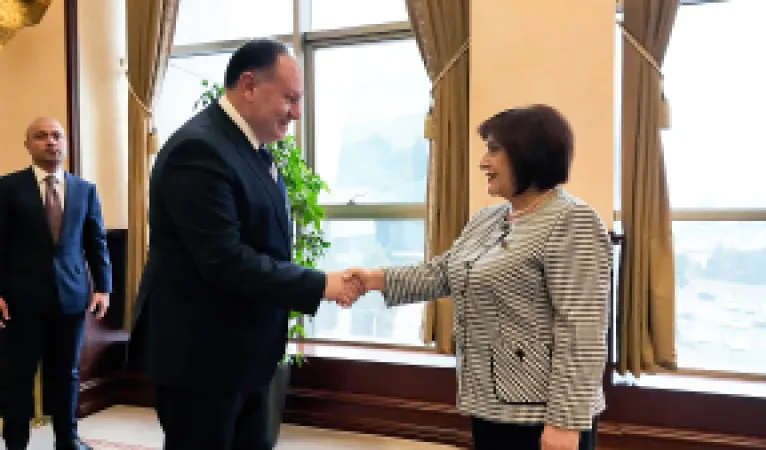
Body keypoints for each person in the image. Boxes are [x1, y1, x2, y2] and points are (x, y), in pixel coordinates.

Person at [130, 38, 360, 450]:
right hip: (202, 359)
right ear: (249, 85)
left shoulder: (254, 148)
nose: (296, 113)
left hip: (246, 352)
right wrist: (319, 283)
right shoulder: (198, 149)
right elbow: (224, 260)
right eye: (290, 98)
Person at [345, 105, 612, 450]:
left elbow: (582, 328)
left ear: (529, 153)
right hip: (489, 403)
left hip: (542, 416)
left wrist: (565, 422)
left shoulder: (573, 221)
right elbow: (443, 271)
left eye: (493, 150)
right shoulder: (488, 218)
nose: (483, 162)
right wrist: (374, 278)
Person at [0, 117, 112, 450]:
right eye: (41, 136)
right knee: (18, 375)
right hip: (20, 300)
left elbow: (96, 242)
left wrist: (103, 287)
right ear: (27, 145)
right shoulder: (7, 188)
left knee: (66, 373)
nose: (51, 142)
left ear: (64, 143)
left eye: (56, 136)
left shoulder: (84, 190)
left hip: (71, 296)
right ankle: (16, 441)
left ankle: (67, 438)